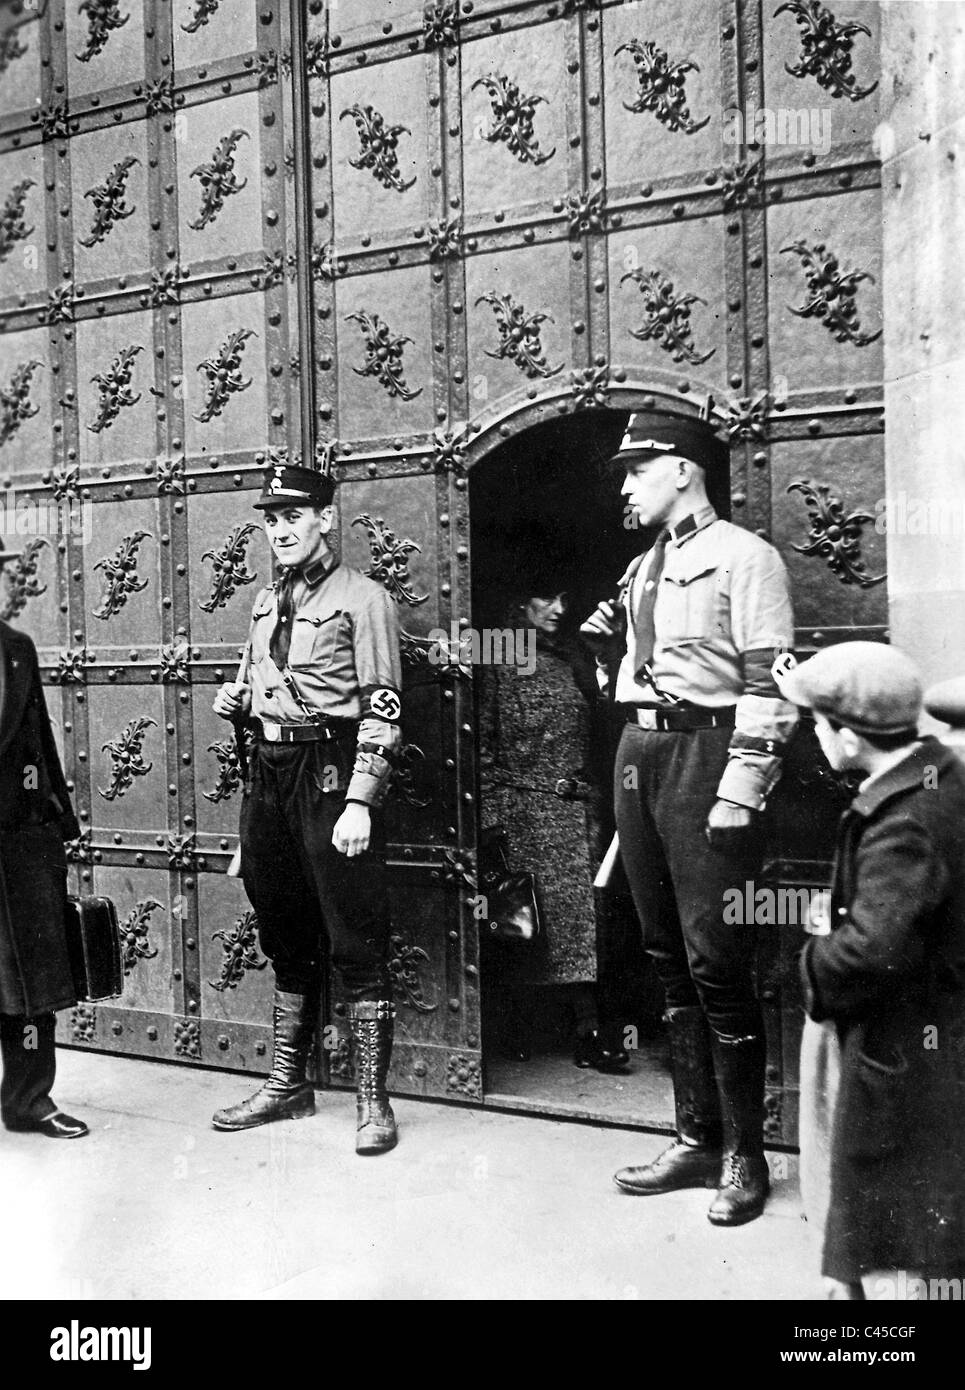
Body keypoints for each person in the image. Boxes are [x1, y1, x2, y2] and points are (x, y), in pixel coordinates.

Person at [580, 411, 798, 1225]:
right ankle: (694, 1136)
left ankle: (746, 1154)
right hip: (639, 754)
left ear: (680, 469)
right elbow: (632, 678)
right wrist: (610, 658)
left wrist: (743, 785)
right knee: (663, 952)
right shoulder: (641, 568)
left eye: (635, 470)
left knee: (716, 960)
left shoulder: (745, 559)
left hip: (706, 760)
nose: (625, 487)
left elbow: (766, 679)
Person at [210, 463, 403, 1156]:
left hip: (329, 774)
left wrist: (360, 801)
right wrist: (235, 700)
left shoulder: (364, 598)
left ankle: (372, 1103)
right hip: (269, 775)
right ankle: (288, 1085)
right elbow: (251, 681)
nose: (280, 530)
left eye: (293, 516)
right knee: (283, 928)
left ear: (325, 517)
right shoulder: (264, 602)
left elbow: (384, 706)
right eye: (271, 519)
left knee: (353, 936)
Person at [778, 642, 965, 1299]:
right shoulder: (937, 774)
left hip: (904, 1048)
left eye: (817, 726)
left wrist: (813, 954)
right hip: (932, 1038)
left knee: (897, 1237)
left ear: (848, 737)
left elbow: (871, 952)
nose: (815, 738)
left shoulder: (903, 822)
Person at [478, 578, 627, 1071]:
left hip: (580, 811)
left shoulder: (576, 656)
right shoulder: (497, 659)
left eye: (566, 596)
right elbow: (481, 743)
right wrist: (493, 820)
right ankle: (521, 1034)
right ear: (520, 602)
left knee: (587, 930)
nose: (560, 608)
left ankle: (589, 1032)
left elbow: (607, 726)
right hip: (524, 813)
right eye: (547, 597)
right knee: (528, 927)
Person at [0, 566, 88, 1140]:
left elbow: (37, 733)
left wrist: (59, 814)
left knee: (27, 979)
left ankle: (29, 1099)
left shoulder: (15, 650)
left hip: (19, 834)